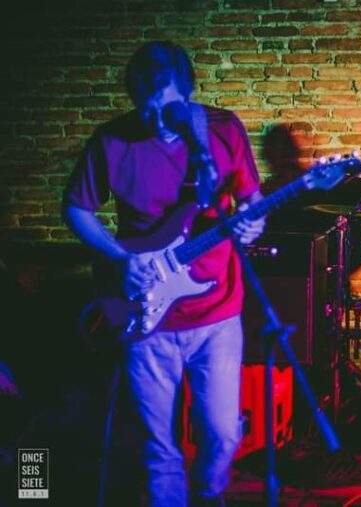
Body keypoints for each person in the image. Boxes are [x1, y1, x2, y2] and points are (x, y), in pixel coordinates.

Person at [63, 41, 265, 507]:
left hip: (217, 309)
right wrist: (119, 258)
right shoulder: (112, 140)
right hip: (145, 313)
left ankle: (208, 493)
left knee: (223, 431)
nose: (156, 121)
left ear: (189, 93)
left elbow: (251, 199)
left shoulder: (222, 130)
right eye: (145, 109)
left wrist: (254, 220)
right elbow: (75, 208)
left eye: (167, 108)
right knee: (158, 445)